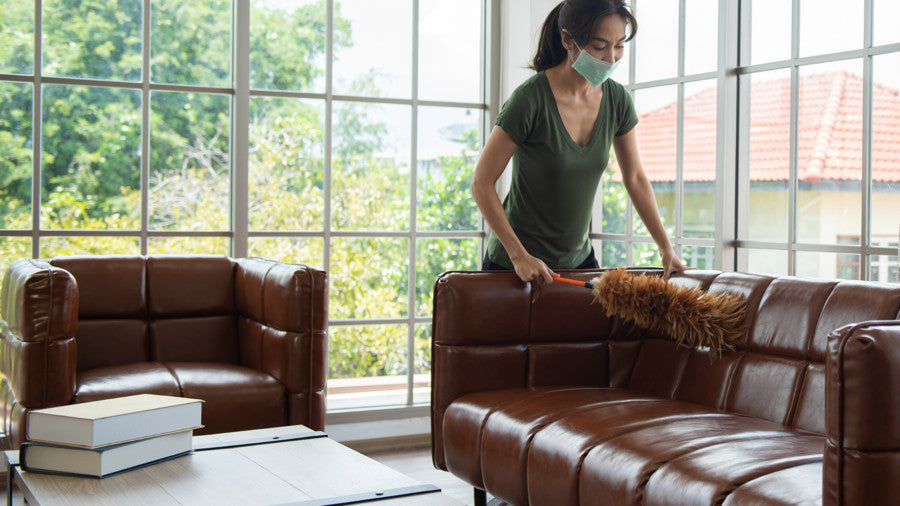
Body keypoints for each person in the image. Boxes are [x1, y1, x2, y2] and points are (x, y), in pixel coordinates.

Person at [472, 0, 687, 284]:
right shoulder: (529, 99)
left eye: (619, 45)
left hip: (579, 262)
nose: (611, 58)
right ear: (566, 39)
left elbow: (634, 178)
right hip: (514, 265)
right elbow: (482, 183)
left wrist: (666, 249)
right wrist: (518, 255)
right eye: (599, 46)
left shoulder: (617, 100)